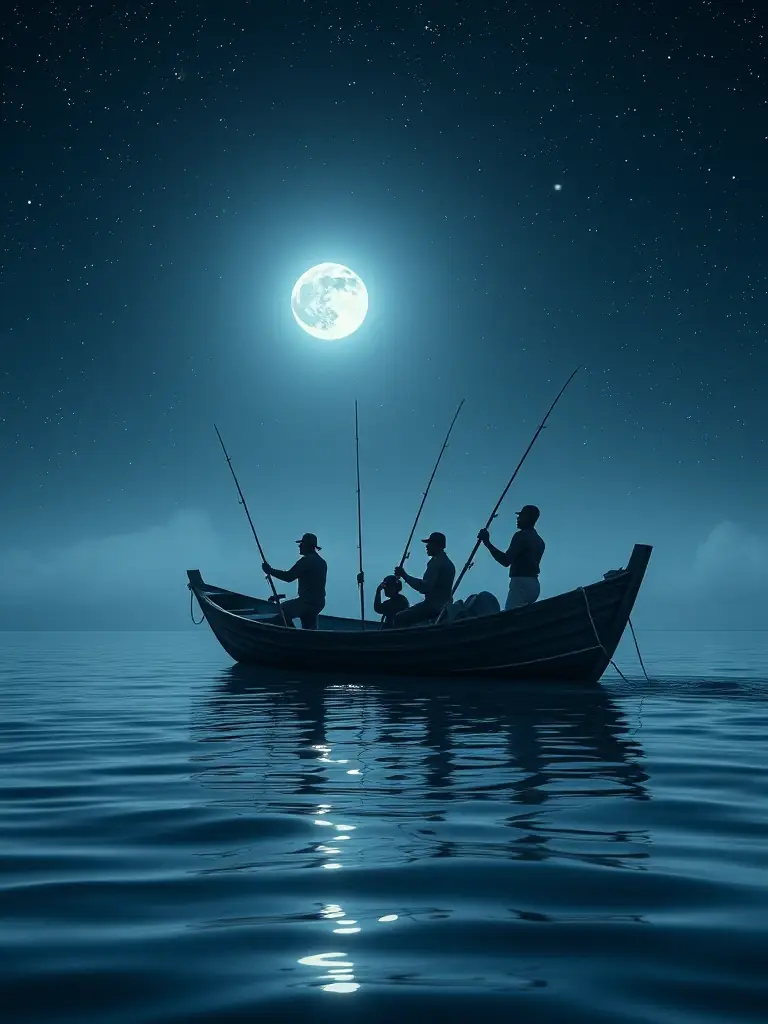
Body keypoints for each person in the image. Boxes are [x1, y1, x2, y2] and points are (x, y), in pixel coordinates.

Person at [477, 504, 545, 611]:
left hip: (521, 585)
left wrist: (487, 542)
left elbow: (505, 561)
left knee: (510, 618)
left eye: (521, 516)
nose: (518, 518)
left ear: (527, 517)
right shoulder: (540, 542)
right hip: (535, 586)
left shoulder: (520, 536)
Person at [262, 533, 327, 629]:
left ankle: (288, 634)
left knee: (283, 610)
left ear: (307, 546)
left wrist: (270, 571)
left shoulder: (306, 561)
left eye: (302, 544)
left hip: (306, 602)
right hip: (318, 603)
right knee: (309, 629)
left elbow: (288, 577)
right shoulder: (322, 562)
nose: (299, 546)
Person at [393, 531, 455, 627]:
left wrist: (404, 575)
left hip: (434, 607)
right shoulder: (447, 563)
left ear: (437, 545)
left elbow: (424, 587)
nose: (427, 546)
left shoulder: (437, 563)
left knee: (400, 617)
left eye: (429, 543)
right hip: (444, 606)